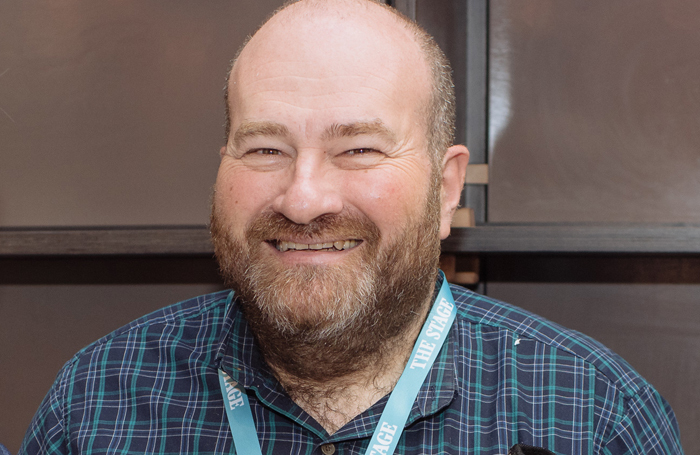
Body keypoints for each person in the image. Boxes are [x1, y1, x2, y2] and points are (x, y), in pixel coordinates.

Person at [20, 1, 683, 454]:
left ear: (446, 186)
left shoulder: (594, 418)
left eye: (359, 148)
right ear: (221, 168)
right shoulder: (95, 404)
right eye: (265, 148)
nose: (304, 199)